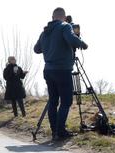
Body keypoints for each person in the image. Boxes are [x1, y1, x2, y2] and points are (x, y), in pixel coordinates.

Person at [34, 7, 88, 140]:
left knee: (53, 101)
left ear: (53, 18)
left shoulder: (45, 32)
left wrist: (50, 45)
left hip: (48, 70)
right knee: (66, 102)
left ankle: (54, 131)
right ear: (64, 17)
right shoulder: (65, 26)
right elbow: (71, 39)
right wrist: (83, 44)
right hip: (62, 70)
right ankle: (60, 131)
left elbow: (36, 49)